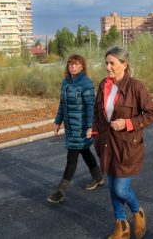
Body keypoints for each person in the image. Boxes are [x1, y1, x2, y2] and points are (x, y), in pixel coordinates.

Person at [92, 46, 153, 239]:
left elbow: (152, 113)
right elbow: (97, 113)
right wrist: (96, 133)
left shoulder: (136, 87)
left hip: (127, 147)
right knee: (112, 188)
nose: (108, 67)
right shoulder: (103, 85)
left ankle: (138, 211)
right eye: (106, 63)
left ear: (124, 64)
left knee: (121, 189)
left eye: (112, 63)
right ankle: (121, 227)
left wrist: (128, 123)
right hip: (106, 145)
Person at [47, 54, 104, 204]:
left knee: (72, 157)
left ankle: (61, 191)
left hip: (81, 127)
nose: (73, 66)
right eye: (71, 64)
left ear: (82, 66)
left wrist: (91, 126)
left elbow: (91, 106)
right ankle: (98, 177)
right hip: (70, 127)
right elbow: (62, 104)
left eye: (76, 64)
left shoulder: (86, 83)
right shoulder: (66, 82)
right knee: (84, 151)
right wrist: (57, 122)